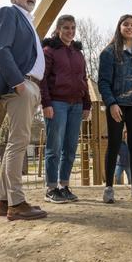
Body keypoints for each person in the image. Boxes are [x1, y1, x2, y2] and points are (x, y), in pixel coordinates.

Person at [0, 0, 47, 221]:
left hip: (29, 85)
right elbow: (0, 48)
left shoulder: (27, 20)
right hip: (20, 85)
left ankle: (5, 201)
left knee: (15, 143)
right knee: (19, 143)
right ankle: (17, 204)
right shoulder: (9, 13)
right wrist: (17, 82)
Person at [98, 14, 132, 203]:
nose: (129, 27)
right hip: (117, 105)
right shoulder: (109, 53)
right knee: (113, 144)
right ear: (119, 27)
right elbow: (103, 82)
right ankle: (109, 188)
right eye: (125, 24)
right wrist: (111, 103)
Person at [39, 15, 91, 204]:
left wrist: (87, 104)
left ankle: (64, 186)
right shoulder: (49, 51)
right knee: (54, 147)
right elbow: (42, 79)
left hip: (76, 105)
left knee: (70, 148)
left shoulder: (78, 53)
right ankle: (51, 188)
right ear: (58, 29)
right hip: (57, 104)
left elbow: (83, 79)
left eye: (73, 28)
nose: (70, 31)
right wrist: (46, 103)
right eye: (66, 28)